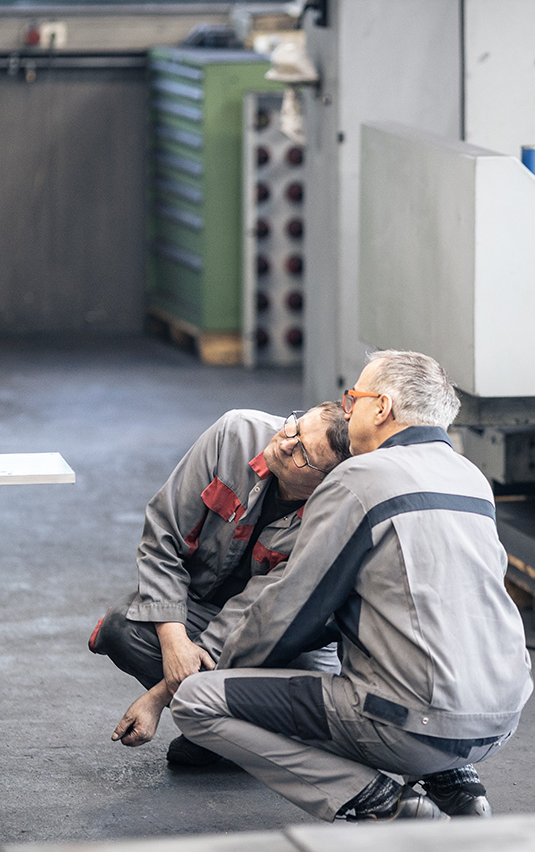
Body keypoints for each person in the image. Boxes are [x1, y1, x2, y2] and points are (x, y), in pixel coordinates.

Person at [170, 350, 533, 820]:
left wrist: (212, 674)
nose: (346, 409)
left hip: (414, 724)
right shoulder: (471, 478)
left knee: (197, 703)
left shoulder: (358, 478)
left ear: (380, 408)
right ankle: (451, 774)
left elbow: (287, 615)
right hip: (501, 718)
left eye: (353, 398)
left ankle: (375, 800)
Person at [89, 403, 350, 760]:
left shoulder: (330, 516)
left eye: (303, 453)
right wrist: (174, 640)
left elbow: (256, 619)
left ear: (326, 482)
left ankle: (229, 738)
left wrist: (158, 697)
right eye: (295, 427)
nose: (286, 443)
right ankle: (234, 737)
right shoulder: (235, 435)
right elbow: (163, 535)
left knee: (314, 705)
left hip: (285, 638)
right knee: (122, 628)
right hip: (204, 604)